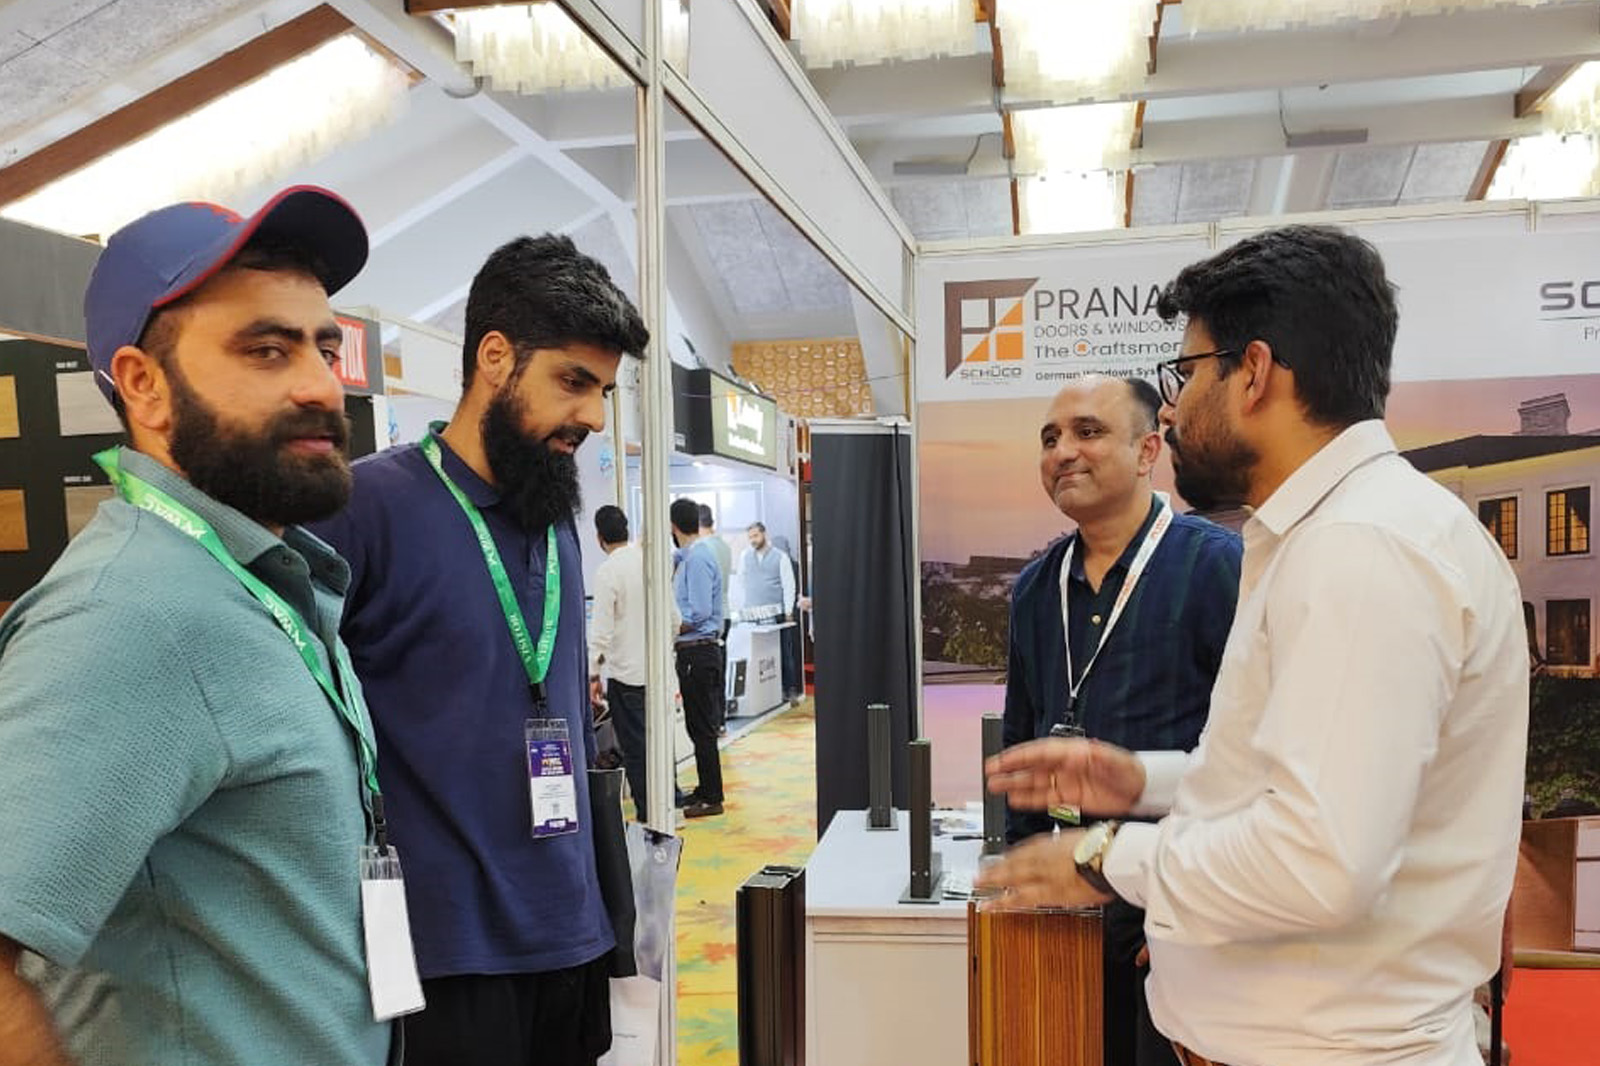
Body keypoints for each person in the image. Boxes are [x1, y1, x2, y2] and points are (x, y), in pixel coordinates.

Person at [980, 225, 1528, 1066]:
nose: (1172, 408)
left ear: (1256, 372)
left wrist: (1102, 853)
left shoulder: (1359, 548)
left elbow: (1320, 861)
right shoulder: (1335, 534)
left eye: (1187, 374)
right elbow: (1299, 779)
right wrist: (1146, 781)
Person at [0, 187, 396, 1064]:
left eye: (325, 348)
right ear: (144, 385)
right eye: (267, 350)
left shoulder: (257, 581)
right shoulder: (126, 616)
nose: (320, 386)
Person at [309, 233, 648, 1066]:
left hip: (570, 934)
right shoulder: (363, 510)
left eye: (604, 391)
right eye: (573, 381)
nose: (595, 417)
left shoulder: (556, 523)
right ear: (495, 357)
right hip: (444, 956)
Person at [1004, 375, 1241, 1066]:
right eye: (1050, 438)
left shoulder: (1216, 566)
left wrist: (1190, 916)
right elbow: (1022, 740)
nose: (1063, 452)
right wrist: (1027, 877)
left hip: (1175, 908)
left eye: (1088, 432)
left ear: (1147, 451)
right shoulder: (1036, 587)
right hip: (1072, 906)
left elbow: (1248, 758)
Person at [589, 504, 680, 822]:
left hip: (627, 676)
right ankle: (671, 805)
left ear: (599, 538)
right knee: (662, 742)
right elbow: (674, 619)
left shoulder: (608, 572)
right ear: (626, 530)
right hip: (660, 673)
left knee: (637, 749)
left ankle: (649, 815)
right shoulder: (650, 562)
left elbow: (601, 631)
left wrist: (593, 673)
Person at [672, 496, 726, 818]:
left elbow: (700, 610)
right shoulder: (689, 557)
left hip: (698, 651)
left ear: (673, 526)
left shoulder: (697, 559)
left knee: (703, 727)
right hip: (697, 652)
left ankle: (712, 797)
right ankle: (706, 789)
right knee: (698, 725)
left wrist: (673, 625)